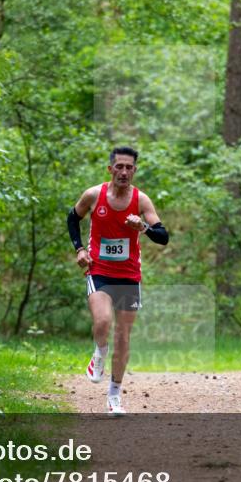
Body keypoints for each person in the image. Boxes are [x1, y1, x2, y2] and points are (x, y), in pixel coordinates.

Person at [66, 146, 169, 415]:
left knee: (123, 337)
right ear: (110, 168)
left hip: (128, 276)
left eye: (129, 167)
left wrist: (143, 228)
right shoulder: (94, 195)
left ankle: (114, 396)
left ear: (135, 171)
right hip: (98, 271)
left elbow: (163, 236)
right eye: (119, 167)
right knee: (102, 322)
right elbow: (72, 218)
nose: (124, 172)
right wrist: (80, 249)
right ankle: (99, 353)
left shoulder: (141, 201)